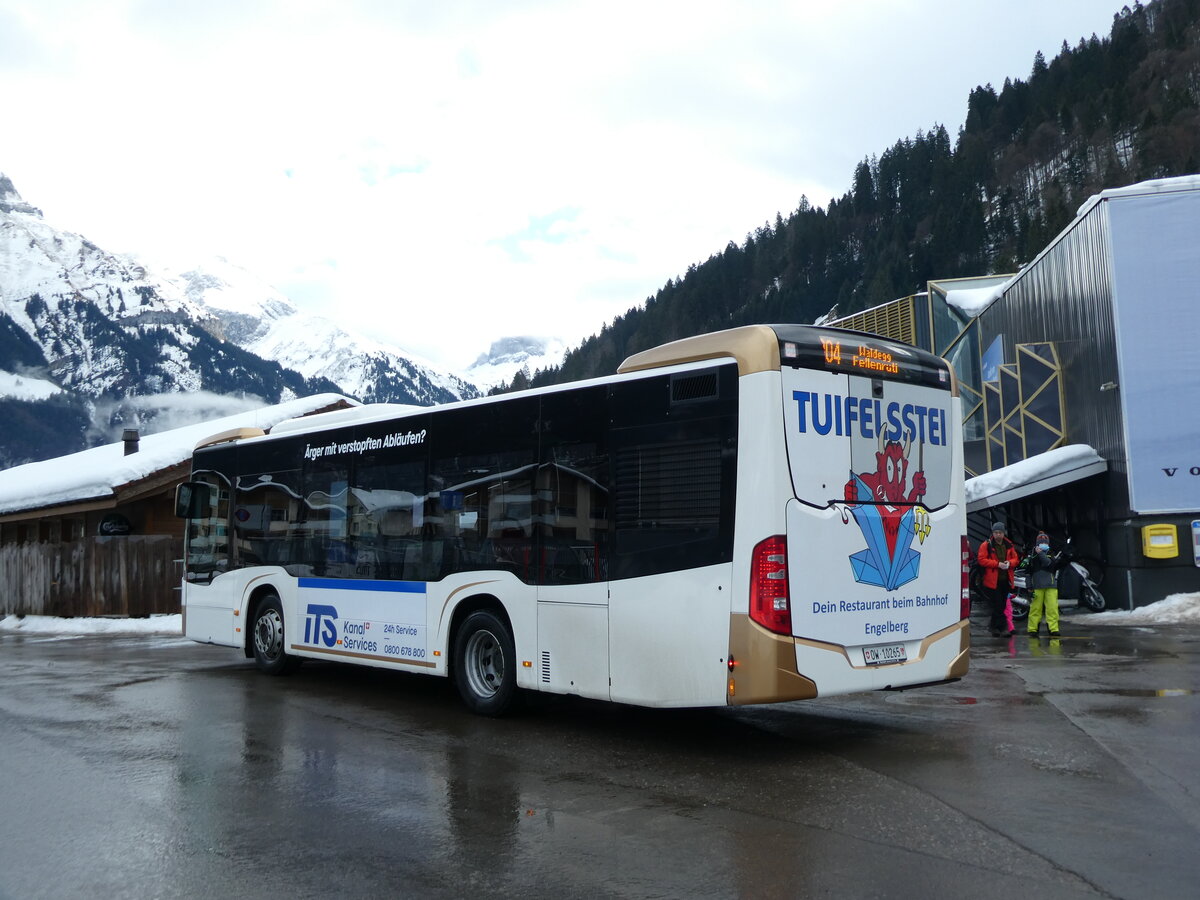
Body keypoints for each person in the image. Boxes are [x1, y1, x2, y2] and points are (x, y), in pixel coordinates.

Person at [978, 522, 1019, 636]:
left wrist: (1008, 563)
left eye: (1000, 532)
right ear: (993, 533)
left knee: (1001, 605)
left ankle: (993, 627)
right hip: (992, 581)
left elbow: (1016, 559)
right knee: (998, 604)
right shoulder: (986, 545)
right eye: (995, 533)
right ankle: (1002, 628)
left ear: (1003, 533)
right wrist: (997, 564)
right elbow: (981, 559)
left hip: (1005, 579)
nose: (998, 535)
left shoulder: (1008, 544)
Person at [1026, 530, 1062, 637]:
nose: (1044, 545)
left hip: (1051, 586)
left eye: (1046, 543)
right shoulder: (1032, 555)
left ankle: (1053, 629)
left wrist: (1041, 553)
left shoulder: (1051, 553)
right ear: (1037, 544)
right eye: (1042, 543)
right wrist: (1029, 586)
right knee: (1035, 609)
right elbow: (1028, 572)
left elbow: (1048, 563)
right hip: (1037, 586)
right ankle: (1033, 629)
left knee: (1052, 608)